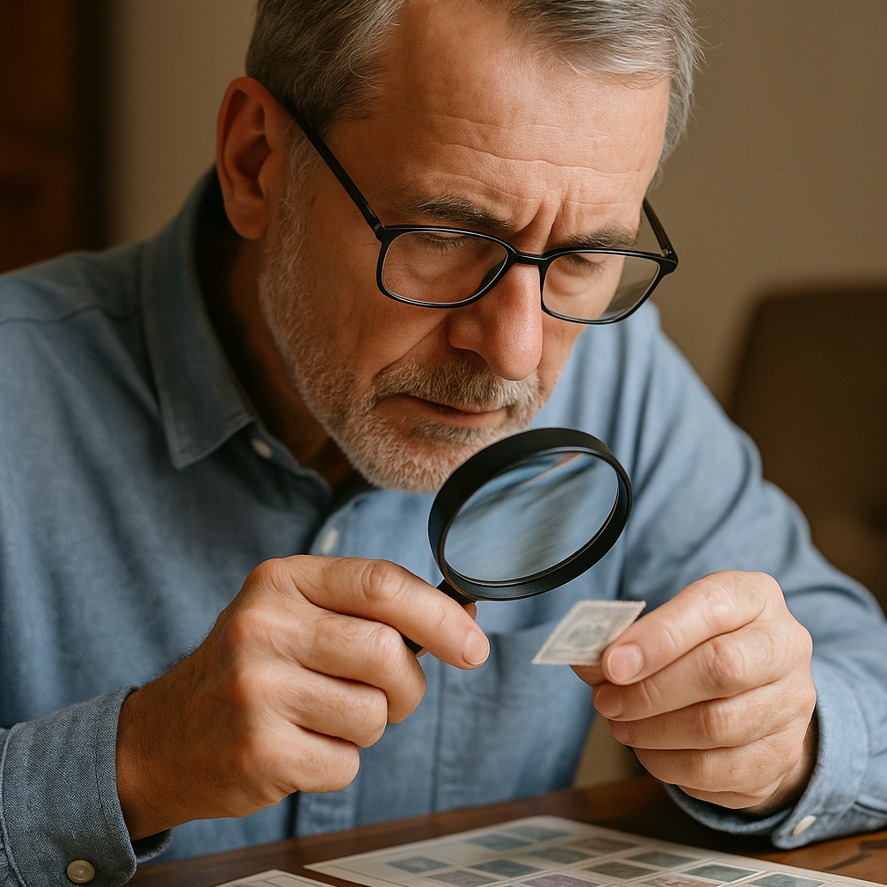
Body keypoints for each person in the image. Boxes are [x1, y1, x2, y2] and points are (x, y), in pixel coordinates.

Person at [1, 0, 886, 883]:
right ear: (255, 162)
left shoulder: (621, 378)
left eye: (581, 257)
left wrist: (791, 737)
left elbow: (864, 683)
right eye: (444, 237)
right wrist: (138, 759)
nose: (515, 351)